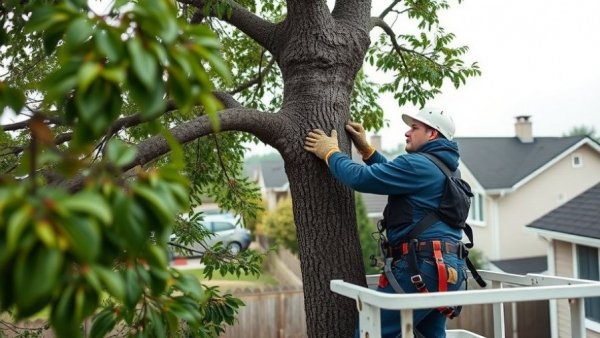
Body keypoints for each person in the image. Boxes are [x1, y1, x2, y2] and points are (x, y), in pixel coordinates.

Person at [304, 107, 468, 338]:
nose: (407, 133)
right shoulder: (448, 169)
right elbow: (393, 175)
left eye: (415, 127)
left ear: (432, 134)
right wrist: (368, 152)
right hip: (449, 269)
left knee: (371, 332)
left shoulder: (419, 165)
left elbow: (359, 178)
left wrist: (331, 153)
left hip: (422, 267)